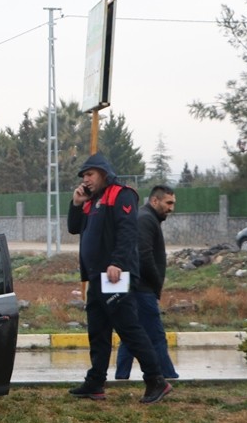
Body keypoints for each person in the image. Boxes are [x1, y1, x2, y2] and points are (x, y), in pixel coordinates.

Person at [67, 153, 172, 405]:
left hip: (115, 275)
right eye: (83, 176)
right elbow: (73, 227)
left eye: (90, 174)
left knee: (128, 327)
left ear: (103, 173)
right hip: (95, 276)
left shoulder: (120, 194)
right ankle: (96, 382)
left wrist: (117, 263)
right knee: (98, 329)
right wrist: (76, 203)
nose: (86, 180)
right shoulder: (92, 200)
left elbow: (128, 232)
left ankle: (156, 380)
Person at [116, 185, 179, 380]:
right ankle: (168, 376)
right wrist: (156, 282)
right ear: (154, 201)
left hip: (138, 288)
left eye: (173, 204)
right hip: (142, 289)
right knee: (156, 336)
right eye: (168, 203)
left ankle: (121, 378)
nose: (171, 208)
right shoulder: (146, 219)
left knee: (132, 335)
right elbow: (144, 255)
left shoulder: (148, 218)